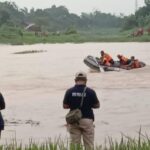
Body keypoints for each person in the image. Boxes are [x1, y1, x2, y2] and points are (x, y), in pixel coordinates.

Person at [63, 71, 100, 150]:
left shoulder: (69, 91)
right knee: (89, 145)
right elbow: (97, 105)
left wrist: (73, 104)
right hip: (87, 120)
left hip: (74, 120)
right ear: (86, 80)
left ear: (75, 80)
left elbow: (65, 106)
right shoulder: (91, 91)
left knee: (75, 145)